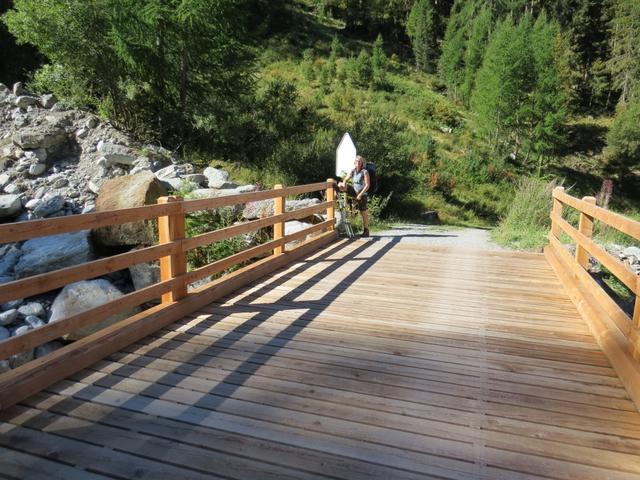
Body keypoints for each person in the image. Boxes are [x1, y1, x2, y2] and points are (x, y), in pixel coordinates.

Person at [338, 155, 370, 237]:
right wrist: (344, 182)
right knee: (340, 184)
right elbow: (346, 178)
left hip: (362, 194)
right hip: (354, 191)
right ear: (354, 163)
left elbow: (367, 185)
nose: (358, 163)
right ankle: (335, 195)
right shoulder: (353, 171)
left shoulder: (364, 172)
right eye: (356, 161)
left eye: (359, 161)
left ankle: (366, 231)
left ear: (362, 163)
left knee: (363, 212)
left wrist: (360, 194)